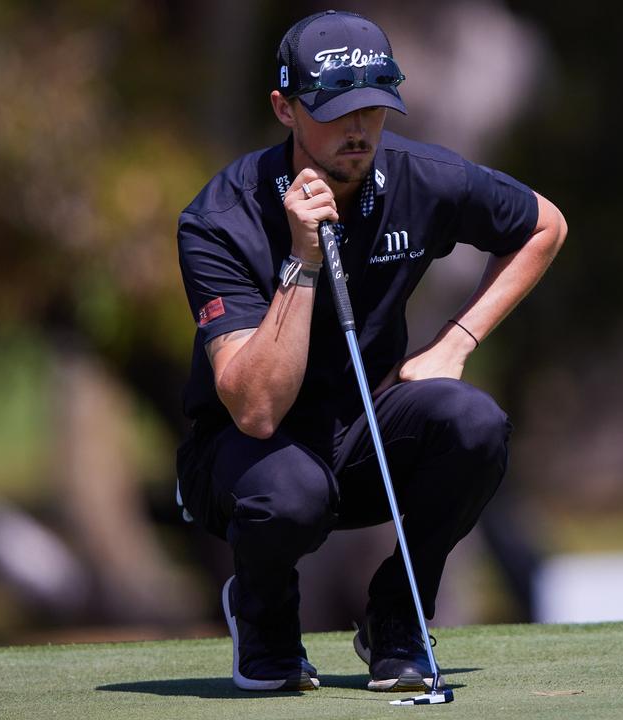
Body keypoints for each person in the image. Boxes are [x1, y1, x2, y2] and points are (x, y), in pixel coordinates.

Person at [174, 9, 565, 693]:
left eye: (374, 107)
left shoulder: (420, 177)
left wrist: (457, 341)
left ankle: (397, 615)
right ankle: (263, 620)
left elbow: (543, 225)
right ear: (284, 109)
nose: (358, 130)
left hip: (363, 440)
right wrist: (301, 259)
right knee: (290, 491)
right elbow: (257, 409)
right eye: (334, 111)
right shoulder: (220, 217)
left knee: (474, 425)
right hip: (244, 461)